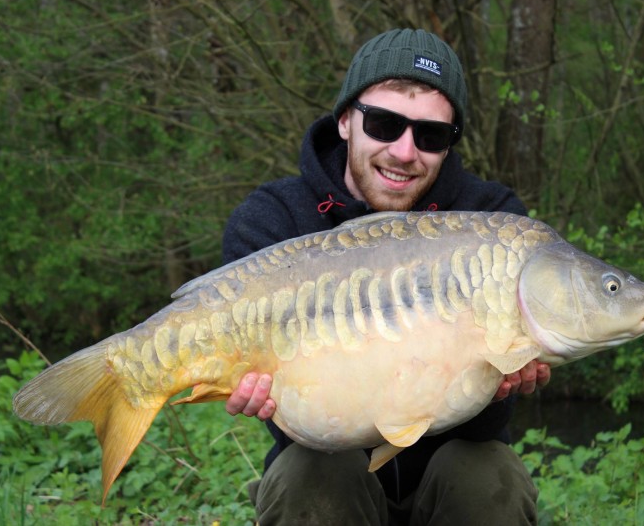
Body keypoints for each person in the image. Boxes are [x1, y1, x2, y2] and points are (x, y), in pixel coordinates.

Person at [221, 28, 551, 526]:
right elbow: (297, 422)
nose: (404, 151)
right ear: (345, 121)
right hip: (328, 464)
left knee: (487, 474)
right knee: (313, 474)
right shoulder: (274, 221)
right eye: (384, 124)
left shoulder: (494, 224)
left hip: (450, 472)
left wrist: (502, 384)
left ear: (448, 145)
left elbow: (485, 428)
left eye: (430, 135)